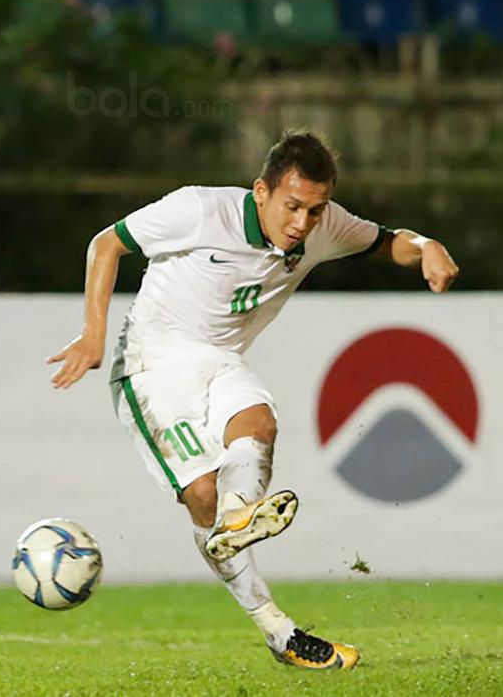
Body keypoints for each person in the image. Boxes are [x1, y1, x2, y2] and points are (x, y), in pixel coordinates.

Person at [47, 129, 459, 670]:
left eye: (315, 210)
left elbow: (388, 241)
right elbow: (107, 242)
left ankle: (237, 518)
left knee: (259, 425)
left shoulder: (323, 225)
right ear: (260, 191)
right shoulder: (198, 209)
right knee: (201, 494)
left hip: (220, 360)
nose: (302, 224)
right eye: (292, 207)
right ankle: (277, 630)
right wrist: (93, 332)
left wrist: (427, 245)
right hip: (148, 365)